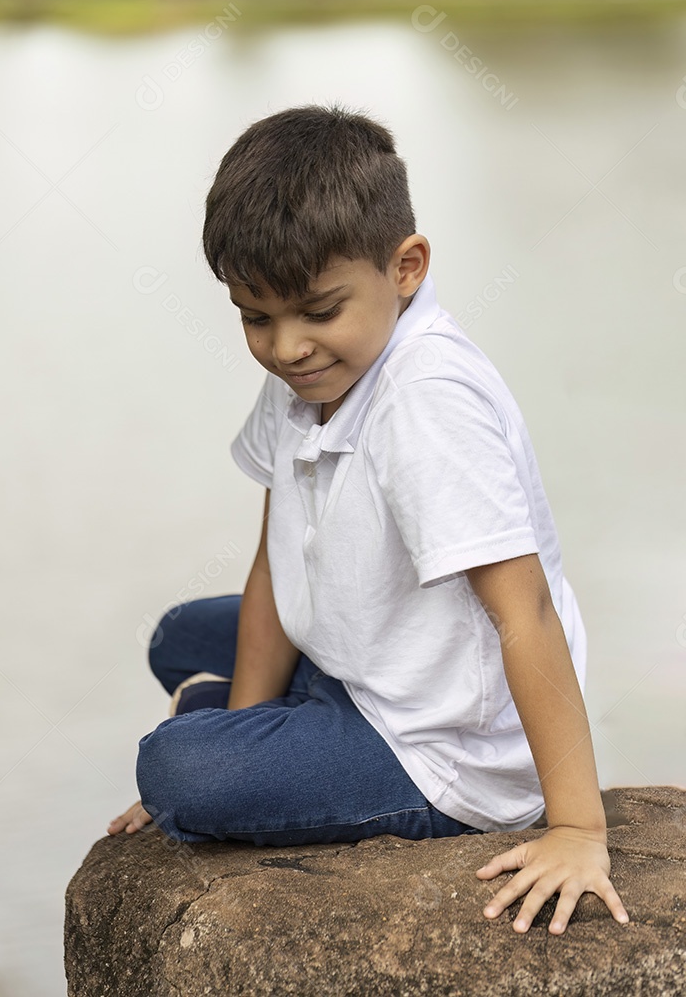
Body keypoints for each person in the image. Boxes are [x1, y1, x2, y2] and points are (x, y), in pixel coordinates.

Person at [108, 104, 629, 936]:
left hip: (441, 745)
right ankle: (265, 727)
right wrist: (246, 731)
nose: (287, 348)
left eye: (318, 311)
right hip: (363, 662)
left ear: (407, 266)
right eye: (256, 316)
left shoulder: (425, 404)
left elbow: (522, 608)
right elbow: (276, 565)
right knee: (177, 634)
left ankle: (257, 738)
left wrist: (575, 827)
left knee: (176, 769)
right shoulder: (309, 377)